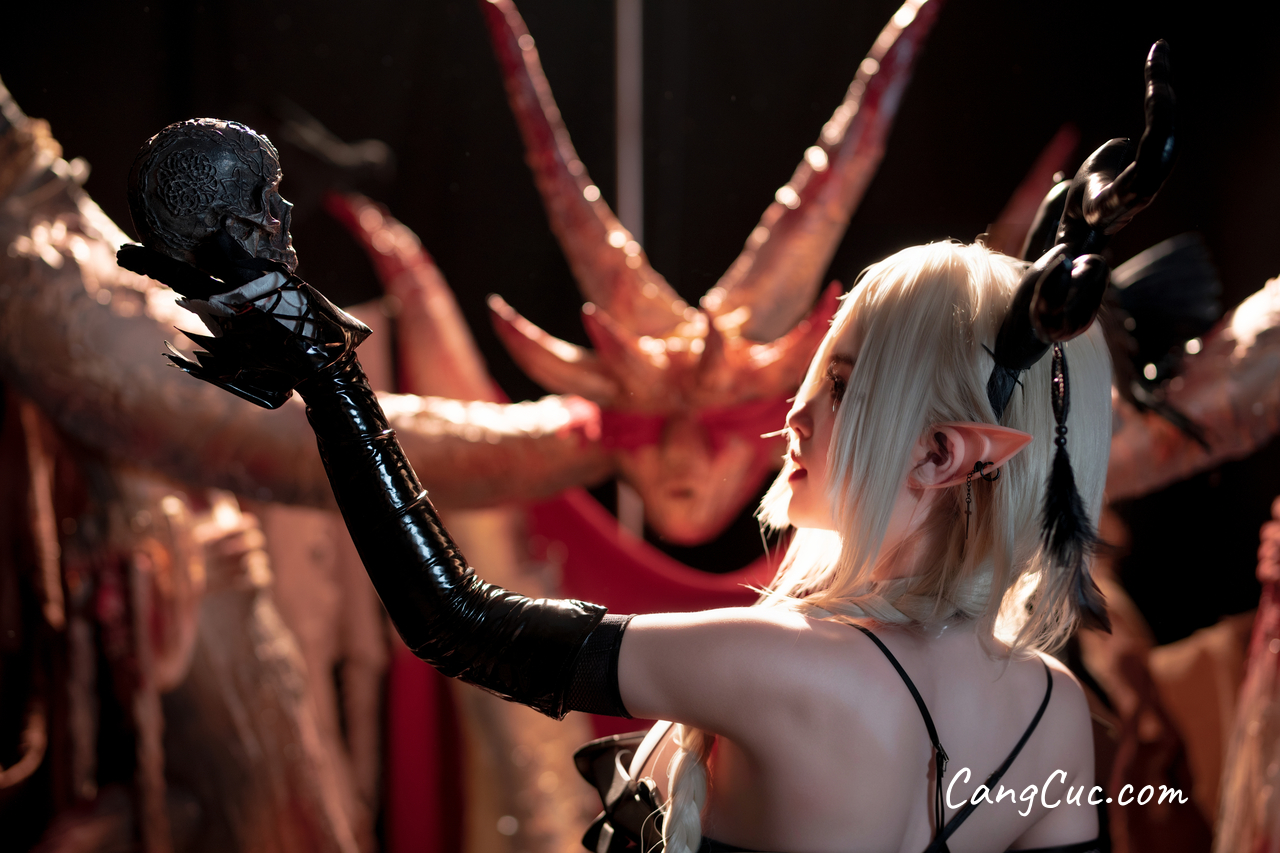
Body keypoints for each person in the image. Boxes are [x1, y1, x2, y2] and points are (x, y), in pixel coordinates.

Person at [119, 42, 1175, 853]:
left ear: (944, 455)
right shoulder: (1051, 706)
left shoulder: (775, 662)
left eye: (844, 383)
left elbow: (456, 622)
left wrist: (324, 368)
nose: (797, 412)